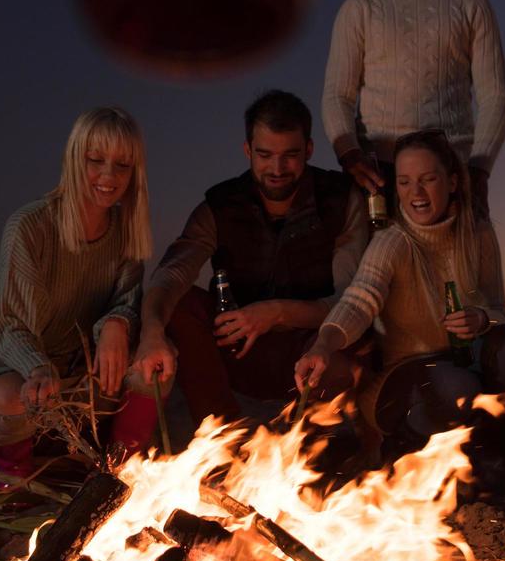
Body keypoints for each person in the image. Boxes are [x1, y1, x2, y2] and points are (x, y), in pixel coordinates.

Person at [293, 130, 505, 503]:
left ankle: (502, 459)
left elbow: (499, 310)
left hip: (463, 366)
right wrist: (324, 343)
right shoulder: (392, 241)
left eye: (428, 179)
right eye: (405, 182)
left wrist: (480, 318)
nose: (416, 193)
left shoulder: (478, 233)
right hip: (401, 384)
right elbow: (359, 300)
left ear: (453, 181)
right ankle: (403, 458)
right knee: (456, 385)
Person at [0, 106, 157, 493]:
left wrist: (118, 323)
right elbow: (9, 324)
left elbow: (127, 302)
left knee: (154, 367)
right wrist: (36, 366)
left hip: (83, 370)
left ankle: (118, 477)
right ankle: (17, 487)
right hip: (20, 365)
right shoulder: (29, 226)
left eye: (122, 165)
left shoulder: (127, 231)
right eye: (95, 160)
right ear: (73, 158)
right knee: (5, 398)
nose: (108, 176)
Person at [132, 90, 368, 422]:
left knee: (346, 348)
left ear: (309, 150)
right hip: (236, 350)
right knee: (182, 306)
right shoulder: (221, 205)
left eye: (290, 155)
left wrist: (277, 312)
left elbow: (347, 303)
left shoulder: (341, 200)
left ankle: (316, 446)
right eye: (264, 155)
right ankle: (223, 438)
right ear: (247, 151)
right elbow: (170, 273)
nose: (277, 168)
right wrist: (151, 331)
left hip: (309, 349)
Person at [321, 0, 505, 222]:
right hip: (379, 180)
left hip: (450, 177)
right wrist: (349, 153)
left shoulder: (470, 5)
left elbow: (495, 96)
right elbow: (337, 95)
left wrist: (479, 170)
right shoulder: (359, 9)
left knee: (466, 276)